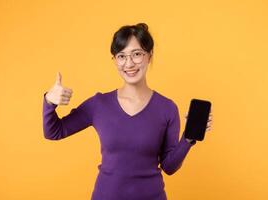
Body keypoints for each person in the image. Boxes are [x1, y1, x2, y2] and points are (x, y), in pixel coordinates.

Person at [42, 23, 213, 200]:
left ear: (149, 55)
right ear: (114, 61)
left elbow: (169, 167)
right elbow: (54, 132)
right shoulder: (99, 104)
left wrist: (188, 139)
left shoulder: (167, 108)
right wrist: (49, 101)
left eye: (137, 54)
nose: (129, 63)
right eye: (121, 56)